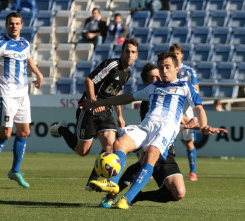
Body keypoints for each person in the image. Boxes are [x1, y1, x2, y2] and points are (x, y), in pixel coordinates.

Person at [81, 51, 227, 209]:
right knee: (120, 143)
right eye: (161, 67)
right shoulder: (153, 87)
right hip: (146, 126)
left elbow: (199, 108)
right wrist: (98, 102)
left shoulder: (185, 87)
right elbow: (128, 97)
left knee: (151, 154)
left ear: (176, 69)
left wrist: (203, 124)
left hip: (166, 129)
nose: (164, 70)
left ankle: (127, 199)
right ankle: (113, 184)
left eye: (168, 67)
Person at [50, 38, 139, 190]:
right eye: (127, 51)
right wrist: (93, 101)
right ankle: (62, 129)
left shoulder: (128, 73)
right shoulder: (111, 65)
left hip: (106, 111)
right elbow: (89, 81)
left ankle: (93, 182)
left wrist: (120, 115)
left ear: (136, 55)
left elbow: (117, 92)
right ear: (122, 52)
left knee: (110, 147)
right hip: (89, 109)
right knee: (83, 151)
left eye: (133, 52)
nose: (129, 55)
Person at [0, 12, 43, 188]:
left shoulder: (25, 43)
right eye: (11, 23)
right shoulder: (1, 44)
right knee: (5, 134)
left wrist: (38, 73)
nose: (14, 26)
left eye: (17, 23)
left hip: (23, 95)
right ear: (6, 25)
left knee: (24, 132)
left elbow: (28, 58)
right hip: (5, 94)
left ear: (22, 25)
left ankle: (15, 171)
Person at [170, 43, 199, 181]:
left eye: (177, 53)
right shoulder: (167, 70)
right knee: (166, 141)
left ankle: (192, 172)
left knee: (188, 142)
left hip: (186, 111)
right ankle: (157, 168)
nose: (175, 55)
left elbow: (196, 91)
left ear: (181, 54)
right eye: (173, 53)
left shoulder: (189, 71)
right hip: (170, 109)